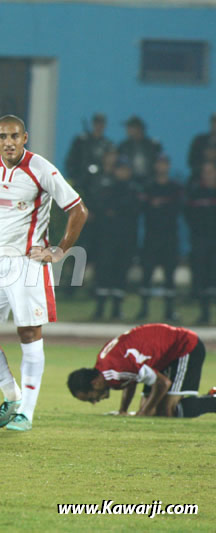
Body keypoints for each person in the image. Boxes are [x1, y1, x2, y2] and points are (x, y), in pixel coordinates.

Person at [0, 114, 88, 432]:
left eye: (14, 136)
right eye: (3, 137)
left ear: (25, 138)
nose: (8, 142)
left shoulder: (41, 169)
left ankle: (27, 414)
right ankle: (12, 396)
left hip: (28, 264)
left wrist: (58, 250)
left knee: (28, 334)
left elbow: (78, 210)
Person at [68, 324, 216, 418]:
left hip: (184, 346)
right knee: (151, 411)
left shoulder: (114, 372)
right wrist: (123, 410)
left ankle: (212, 400)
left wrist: (143, 413)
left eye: (90, 398)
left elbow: (162, 384)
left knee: (166, 411)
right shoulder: (105, 367)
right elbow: (131, 381)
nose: (95, 402)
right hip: (163, 355)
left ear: (96, 383)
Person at [91, 157, 141, 320]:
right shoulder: (107, 187)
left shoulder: (133, 189)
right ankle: (100, 308)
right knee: (104, 272)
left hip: (126, 238)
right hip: (107, 238)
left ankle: (116, 309)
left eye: (126, 170)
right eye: (120, 169)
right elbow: (101, 208)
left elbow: (133, 210)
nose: (123, 173)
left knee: (121, 272)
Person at [135, 154, 183, 321]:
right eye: (159, 163)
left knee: (169, 275)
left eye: (165, 164)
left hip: (169, 237)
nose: (162, 167)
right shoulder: (149, 188)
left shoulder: (175, 188)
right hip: (151, 237)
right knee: (147, 274)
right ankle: (143, 309)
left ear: (168, 166)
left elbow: (178, 209)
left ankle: (170, 311)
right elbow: (141, 209)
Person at [186, 161, 216, 324]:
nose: (208, 175)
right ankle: (205, 314)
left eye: (211, 171)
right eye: (205, 172)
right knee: (203, 277)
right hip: (201, 240)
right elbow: (189, 214)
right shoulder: (196, 192)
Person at [64, 113, 114, 200]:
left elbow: (110, 164)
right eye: (96, 123)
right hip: (80, 180)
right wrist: (74, 176)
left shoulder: (107, 144)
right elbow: (71, 160)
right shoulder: (81, 141)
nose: (99, 126)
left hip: (98, 184)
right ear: (93, 124)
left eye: (101, 124)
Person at [117, 115, 162, 189]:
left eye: (130, 127)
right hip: (129, 183)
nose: (127, 130)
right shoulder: (123, 146)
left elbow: (159, 163)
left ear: (139, 128)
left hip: (151, 182)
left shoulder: (152, 145)